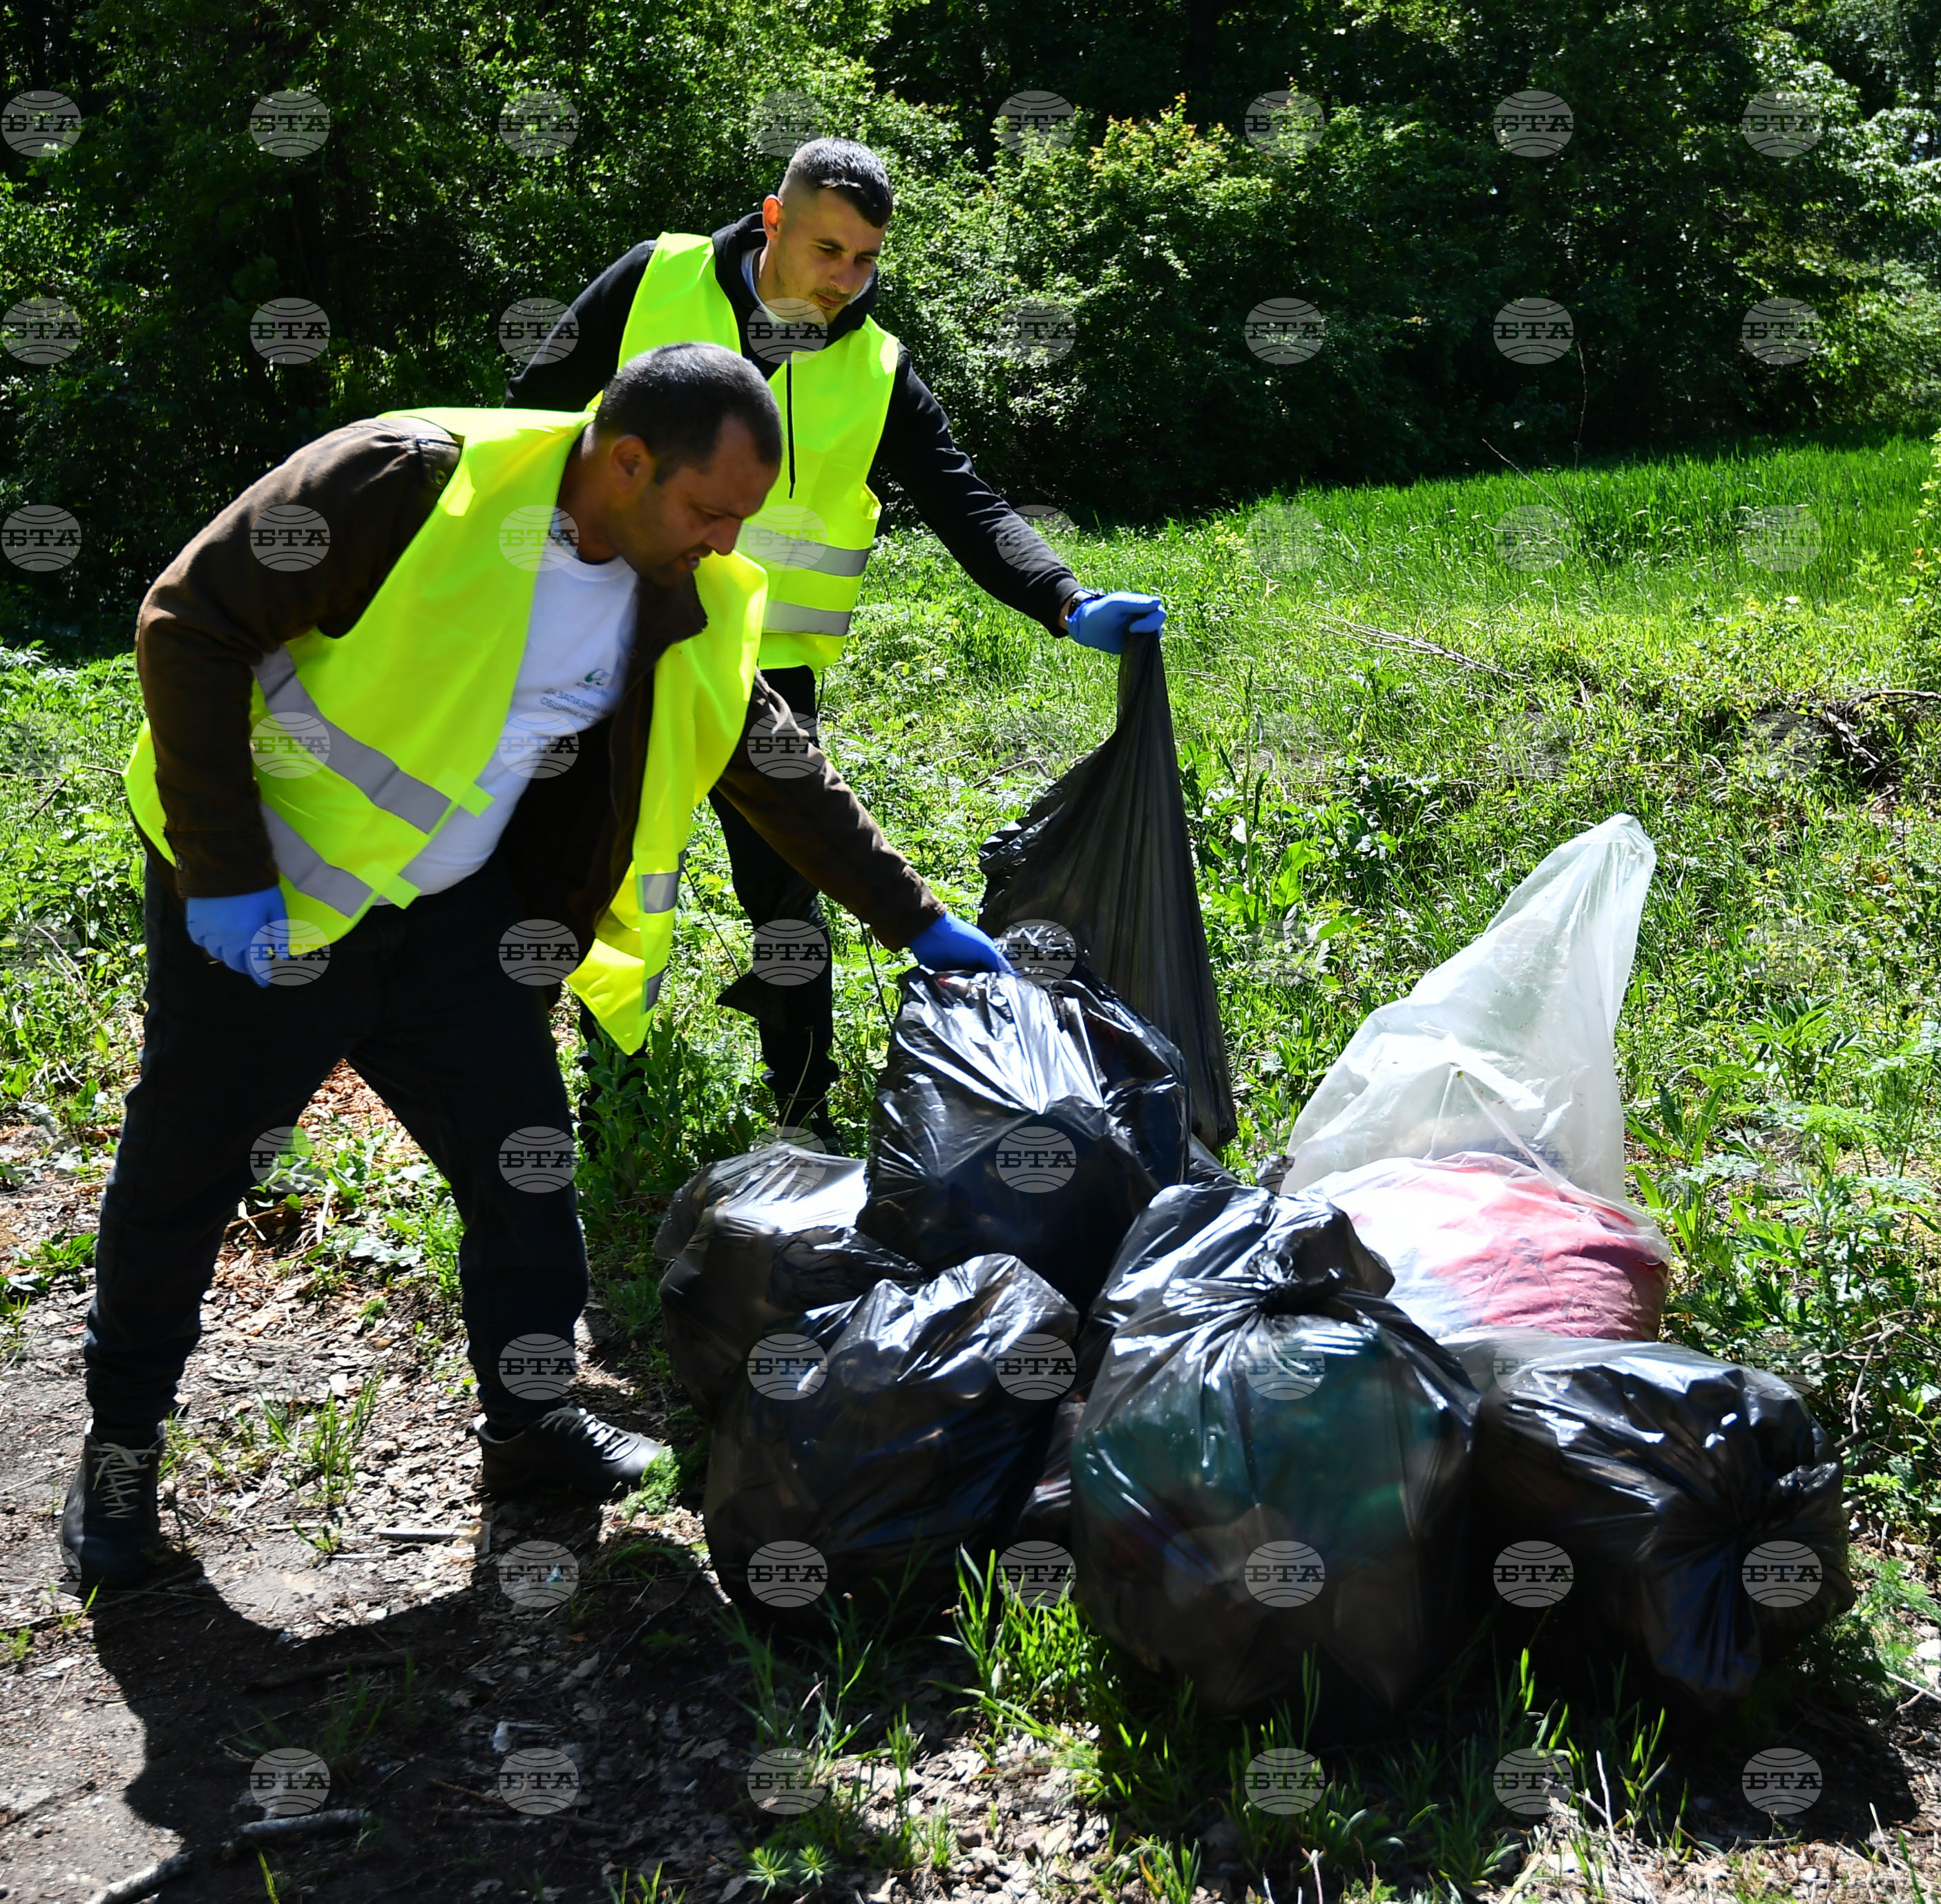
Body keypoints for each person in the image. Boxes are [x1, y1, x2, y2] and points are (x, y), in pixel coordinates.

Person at [64, 341, 1010, 1593]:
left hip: (447, 915)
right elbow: (190, 622)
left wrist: (916, 919)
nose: (728, 543)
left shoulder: (683, 589)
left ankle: (529, 1423)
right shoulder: (410, 481)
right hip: (271, 905)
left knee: (524, 1163)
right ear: (628, 460)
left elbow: (766, 757)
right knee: (186, 1171)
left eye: (742, 518)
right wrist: (222, 865)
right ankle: (121, 1447)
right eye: (710, 509)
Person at [508, 137, 1166, 1150]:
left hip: (765, 666)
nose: (844, 279)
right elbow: (528, 418)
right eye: (827, 250)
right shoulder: (654, 282)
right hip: (616, 636)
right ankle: (614, 1107)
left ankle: (803, 1108)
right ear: (773, 221)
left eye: (865, 259)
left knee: (789, 887)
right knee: (610, 865)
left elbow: (963, 499)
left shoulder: (876, 367)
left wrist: (1066, 600)